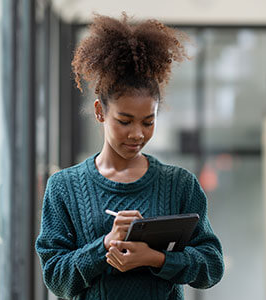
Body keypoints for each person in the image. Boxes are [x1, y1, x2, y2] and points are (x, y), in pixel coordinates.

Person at [35, 13, 224, 300]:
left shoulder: (180, 184)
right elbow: (56, 278)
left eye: (148, 121)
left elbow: (212, 267)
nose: (137, 134)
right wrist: (105, 246)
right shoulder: (64, 187)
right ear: (100, 111)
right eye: (125, 121)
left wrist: (156, 259)